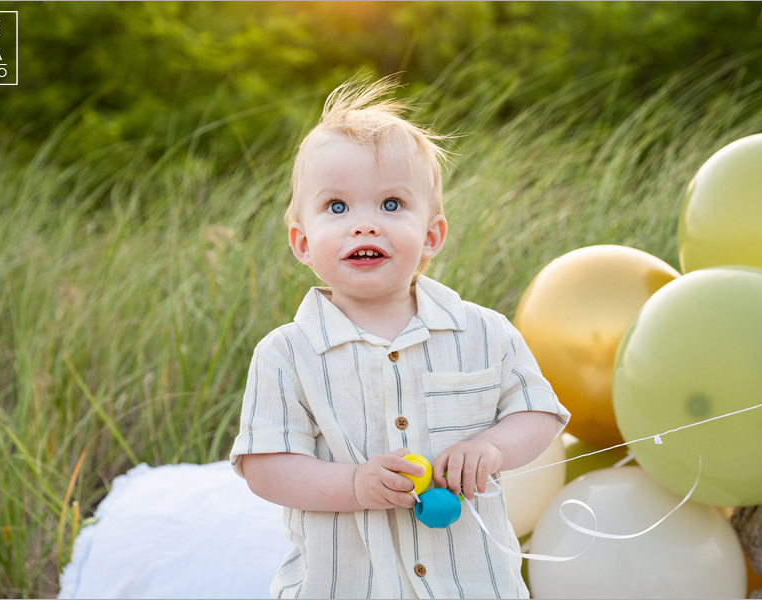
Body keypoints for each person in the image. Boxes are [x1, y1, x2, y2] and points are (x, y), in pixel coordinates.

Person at [230, 74, 570, 599]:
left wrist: (491, 448)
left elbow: (538, 412)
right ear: (302, 242)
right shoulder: (286, 353)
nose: (365, 226)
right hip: (345, 586)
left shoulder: (482, 331)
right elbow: (266, 467)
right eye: (337, 207)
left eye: (391, 204)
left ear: (432, 234)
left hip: (473, 583)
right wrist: (353, 486)